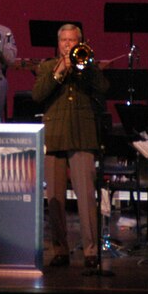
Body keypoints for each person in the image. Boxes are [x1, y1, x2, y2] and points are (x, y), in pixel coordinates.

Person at [32, 23, 109, 269]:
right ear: (58, 44)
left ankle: (90, 251)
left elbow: (104, 88)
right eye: (64, 40)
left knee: (86, 196)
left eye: (72, 40)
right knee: (54, 197)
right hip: (55, 135)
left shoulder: (88, 65)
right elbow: (38, 95)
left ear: (80, 42)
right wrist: (59, 71)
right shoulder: (46, 67)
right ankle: (60, 250)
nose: (67, 44)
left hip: (82, 135)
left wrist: (84, 68)